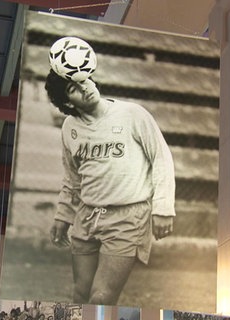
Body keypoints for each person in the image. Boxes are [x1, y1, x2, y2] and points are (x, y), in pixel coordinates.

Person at [45, 69, 176, 306]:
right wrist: (63, 214)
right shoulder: (70, 128)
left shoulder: (132, 114)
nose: (85, 87)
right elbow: (73, 177)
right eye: (74, 88)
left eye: (84, 80)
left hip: (127, 216)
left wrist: (163, 207)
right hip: (87, 215)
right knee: (81, 295)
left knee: (102, 297)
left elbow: (161, 158)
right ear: (66, 102)